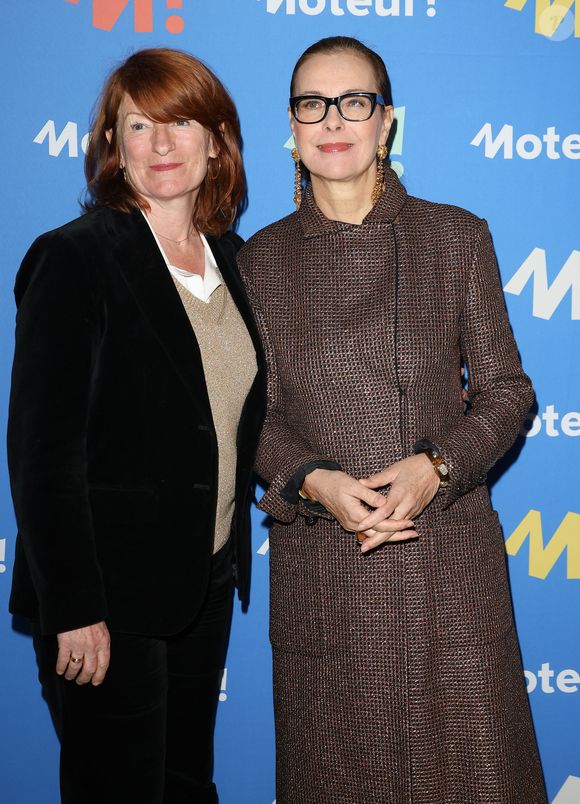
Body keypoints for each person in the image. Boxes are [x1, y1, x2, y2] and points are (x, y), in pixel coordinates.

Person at [237, 36, 546, 803]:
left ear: (387, 122)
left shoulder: (456, 237)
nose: (333, 119)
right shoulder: (258, 261)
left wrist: (436, 465)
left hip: (448, 562)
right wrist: (316, 481)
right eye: (313, 103)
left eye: (355, 102)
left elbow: (507, 390)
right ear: (292, 123)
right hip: (327, 572)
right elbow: (255, 420)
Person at [8, 48, 264, 804]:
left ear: (216, 140)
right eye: (138, 125)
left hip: (201, 584)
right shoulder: (74, 259)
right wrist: (75, 607)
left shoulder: (234, 260)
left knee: (185, 786)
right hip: (106, 601)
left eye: (180, 123)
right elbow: (42, 454)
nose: (160, 145)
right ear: (111, 146)